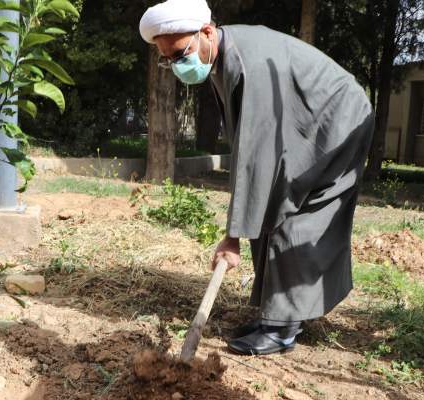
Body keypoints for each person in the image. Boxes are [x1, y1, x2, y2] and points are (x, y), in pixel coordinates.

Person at [140, 0, 374, 355]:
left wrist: (232, 238)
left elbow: (258, 160)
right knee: (271, 204)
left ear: (206, 32)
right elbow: (249, 150)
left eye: (179, 53)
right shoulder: (223, 57)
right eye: (167, 58)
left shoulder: (249, 66)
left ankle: (281, 329)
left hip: (335, 122)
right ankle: (278, 314)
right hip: (311, 117)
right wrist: (239, 227)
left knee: (294, 208)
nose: (175, 65)